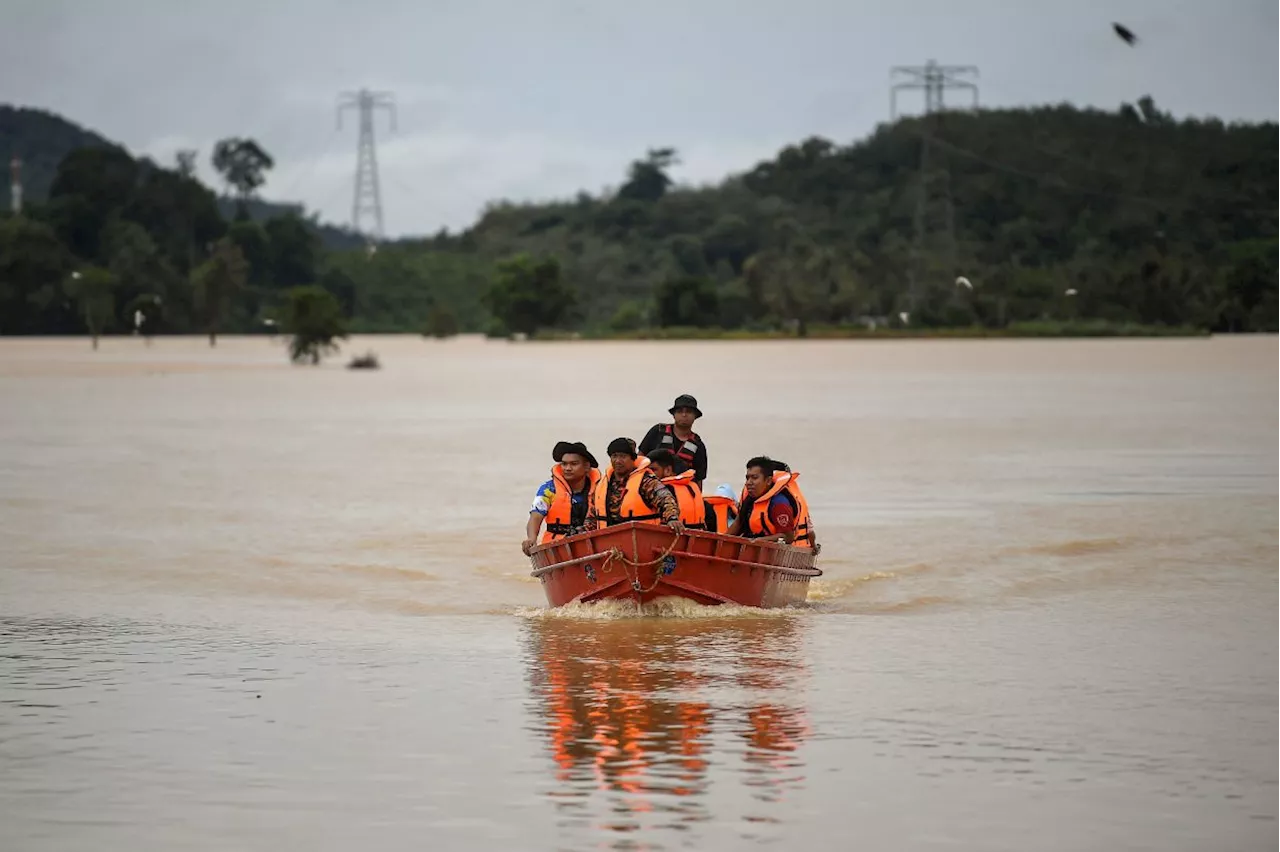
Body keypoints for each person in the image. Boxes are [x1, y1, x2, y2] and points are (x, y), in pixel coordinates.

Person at [584, 437, 684, 533]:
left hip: (640, 539)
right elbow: (591, 518)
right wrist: (581, 531)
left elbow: (665, 498)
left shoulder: (646, 481)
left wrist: (672, 518)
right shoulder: (601, 485)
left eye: (623, 456)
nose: (618, 461)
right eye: (614, 456)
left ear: (633, 458)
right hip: (608, 540)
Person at [523, 441, 601, 556]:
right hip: (556, 548)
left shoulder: (601, 488)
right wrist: (531, 538)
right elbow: (535, 516)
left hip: (593, 546)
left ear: (586, 466)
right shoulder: (548, 489)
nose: (567, 468)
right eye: (564, 464)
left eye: (574, 464)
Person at [728, 455, 816, 549]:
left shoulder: (779, 504)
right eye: (747, 478)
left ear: (769, 480)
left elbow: (788, 537)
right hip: (755, 544)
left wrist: (759, 541)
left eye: (754, 478)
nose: (748, 482)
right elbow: (738, 522)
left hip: (788, 551)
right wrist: (722, 540)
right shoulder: (749, 498)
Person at [638, 394, 708, 489]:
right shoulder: (658, 431)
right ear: (674, 415)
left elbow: (699, 480)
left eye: (688, 412)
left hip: (680, 493)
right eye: (680, 411)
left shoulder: (698, 445)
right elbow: (640, 458)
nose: (684, 415)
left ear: (695, 416)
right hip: (651, 488)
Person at [647, 448, 706, 528]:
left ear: (668, 470)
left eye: (653, 470)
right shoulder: (693, 489)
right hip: (697, 536)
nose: (650, 474)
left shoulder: (658, 492)